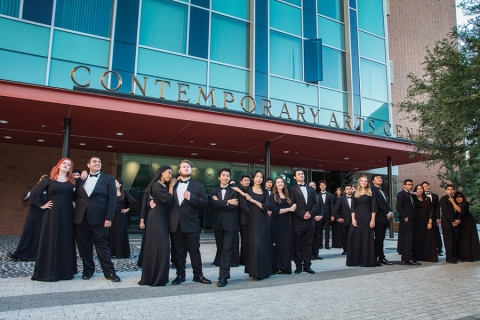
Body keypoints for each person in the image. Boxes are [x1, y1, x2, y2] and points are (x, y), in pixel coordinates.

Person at [73, 156, 120, 282]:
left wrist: (109, 218)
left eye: (99, 161)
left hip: (100, 218)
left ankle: (110, 272)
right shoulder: (81, 179)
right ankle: (88, 270)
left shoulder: (109, 179)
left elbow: (112, 200)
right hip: (81, 218)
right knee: (84, 246)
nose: (97, 163)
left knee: (102, 246)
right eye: (94, 161)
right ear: (88, 165)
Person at [30, 159, 77, 281]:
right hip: (53, 213)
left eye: (69, 164)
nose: (66, 165)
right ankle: (48, 271)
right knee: (51, 238)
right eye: (64, 163)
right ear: (59, 165)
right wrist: (41, 205)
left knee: (65, 239)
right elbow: (35, 192)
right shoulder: (49, 180)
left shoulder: (71, 181)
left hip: (67, 214)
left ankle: (64, 272)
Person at [169, 160, 211, 285]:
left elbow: (204, 203)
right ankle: (180, 275)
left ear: (191, 170)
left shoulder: (198, 186)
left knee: (195, 251)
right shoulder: (172, 184)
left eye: (188, 166)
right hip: (176, 224)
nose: (186, 168)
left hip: (191, 224)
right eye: (183, 166)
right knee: (178, 251)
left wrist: (191, 197)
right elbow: (167, 201)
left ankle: (198, 275)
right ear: (179, 170)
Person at [231, 170, 272, 280]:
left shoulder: (265, 192)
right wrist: (243, 193)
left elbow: (266, 207)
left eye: (261, 177)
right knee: (255, 246)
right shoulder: (247, 189)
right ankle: (254, 272)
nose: (259, 178)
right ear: (253, 178)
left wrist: (252, 200)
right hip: (253, 221)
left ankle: (263, 272)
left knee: (262, 246)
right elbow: (232, 185)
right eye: (257, 176)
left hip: (263, 221)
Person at [139, 166, 175, 286]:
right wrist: (171, 187)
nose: (170, 176)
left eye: (171, 174)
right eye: (169, 173)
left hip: (161, 217)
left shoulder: (160, 186)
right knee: (160, 246)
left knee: (160, 247)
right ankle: (156, 277)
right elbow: (168, 200)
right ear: (161, 173)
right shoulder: (157, 185)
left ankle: (156, 276)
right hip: (157, 218)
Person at [211, 169, 241, 287]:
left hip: (230, 224)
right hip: (218, 224)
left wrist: (220, 203)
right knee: (220, 250)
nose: (225, 177)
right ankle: (225, 272)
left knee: (227, 250)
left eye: (228, 176)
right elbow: (213, 205)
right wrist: (228, 202)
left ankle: (222, 277)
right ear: (219, 177)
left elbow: (235, 206)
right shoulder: (214, 191)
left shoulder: (234, 191)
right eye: (223, 175)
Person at [7, 174, 48, 262]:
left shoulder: (49, 193)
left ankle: (37, 255)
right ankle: (19, 254)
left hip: (43, 216)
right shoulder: (33, 191)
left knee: (39, 236)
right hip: (32, 216)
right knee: (27, 234)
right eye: (41, 181)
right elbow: (25, 197)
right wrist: (36, 189)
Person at [289, 169, 319, 274]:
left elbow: (316, 203)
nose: (301, 175)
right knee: (298, 245)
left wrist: (310, 213)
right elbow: (292, 205)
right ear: (294, 177)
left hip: (310, 221)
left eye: (302, 174)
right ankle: (298, 266)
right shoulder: (292, 189)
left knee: (308, 244)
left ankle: (307, 265)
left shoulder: (311, 189)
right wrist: (302, 214)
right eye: (299, 174)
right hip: (298, 221)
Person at [346, 176, 376, 267]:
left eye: (365, 181)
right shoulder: (355, 193)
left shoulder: (371, 193)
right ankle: (354, 261)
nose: (364, 182)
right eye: (362, 181)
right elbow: (353, 208)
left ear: (368, 183)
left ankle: (366, 261)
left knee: (366, 239)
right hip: (357, 218)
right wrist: (353, 219)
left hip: (367, 218)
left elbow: (374, 208)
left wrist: (372, 220)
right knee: (354, 238)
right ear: (359, 182)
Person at [269, 176, 296, 275]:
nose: (280, 184)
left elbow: (294, 206)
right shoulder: (273, 195)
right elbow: (275, 211)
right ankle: (278, 267)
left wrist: (294, 206)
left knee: (285, 245)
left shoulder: (288, 195)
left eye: (282, 182)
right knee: (277, 245)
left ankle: (285, 267)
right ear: (275, 185)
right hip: (276, 223)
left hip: (286, 223)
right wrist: (289, 209)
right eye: (278, 182)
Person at [108, 178, 136, 258]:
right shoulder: (111, 193)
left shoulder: (124, 193)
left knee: (120, 234)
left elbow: (133, 201)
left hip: (120, 217)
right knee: (111, 234)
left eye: (116, 183)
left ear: (120, 184)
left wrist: (128, 209)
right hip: (112, 217)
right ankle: (111, 252)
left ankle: (120, 253)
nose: (114, 184)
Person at [370, 174, 394, 266]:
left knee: (381, 239)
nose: (380, 179)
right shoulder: (373, 190)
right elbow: (378, 203)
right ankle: (376, 258)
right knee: (378, 239)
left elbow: (385, 203)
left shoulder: (381, 190)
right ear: (373, 181)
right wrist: (387, 212)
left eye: (381, 178)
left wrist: (390, 211)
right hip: (378, 218)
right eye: (377, 178)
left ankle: (381, 257)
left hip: (383, 218)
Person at [411, 185, 437, 262]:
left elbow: (430, 211)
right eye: (418, 189)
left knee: (428, 238)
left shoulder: (427, 199)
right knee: (418, 238)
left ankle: (427, 256)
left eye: (421, 188)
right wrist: (414, 194)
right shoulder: (413, 199)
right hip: (416, 221)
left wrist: (430, 222)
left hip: (426, 220)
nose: (420, 190)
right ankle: (417, 256)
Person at [396, 179, 420, 265]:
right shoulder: (401, 194)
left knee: (409, 238)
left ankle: (406, 256)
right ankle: (407, 257)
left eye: (411, 185)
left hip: (411, 219)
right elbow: (399, 207)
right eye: (409, 184)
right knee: (407, 238)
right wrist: (404, 216)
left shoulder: (409, 194)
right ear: (404, 185)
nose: (410, 186)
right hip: (406, 219)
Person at [455, 192, 480, 261]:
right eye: (457, 197)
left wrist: (458, 219)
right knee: (461, 239)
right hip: (461, 223)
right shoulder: (456, 204)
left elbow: (462, 212)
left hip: (468, 223)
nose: (459, 198)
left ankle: (469, 256)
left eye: (460, 197)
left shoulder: (466, 203)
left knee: (468, 238)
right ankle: (461, 256)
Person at [440, 184, 462, 264]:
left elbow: (460, 211)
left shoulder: (456, 199)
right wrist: (452, 221)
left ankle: (453, 256)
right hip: (447, 223)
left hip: (456, 223)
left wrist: (458, 220)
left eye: (452, 189)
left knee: (455, 240)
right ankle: (449, 257)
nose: (450, 191)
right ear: (446, 190)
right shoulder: (443, 199)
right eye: (448, 189)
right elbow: (445, 211)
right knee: (448, 241)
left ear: (454, 190)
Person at [422, 181, 443, 256]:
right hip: (424, 216)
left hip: (434, 216)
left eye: (427, 186)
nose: (426, 187)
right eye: (424, 186)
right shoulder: (421, 196)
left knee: (436, 232)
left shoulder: (435, 196)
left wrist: (438, 218)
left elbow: (437, 207)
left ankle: (439, 249)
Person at [334, 184, 353, 256]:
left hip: (354, 220)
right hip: (344, 220)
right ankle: (345, 250)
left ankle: (353, 249)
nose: (349, 190)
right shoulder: (341, 199)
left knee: (353, 236)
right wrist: (338, 218)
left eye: (350, 189)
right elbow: (336, 209)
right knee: (344, 236)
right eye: (347, 189)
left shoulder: (355, 198)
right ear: (344, 191)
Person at [315, 180, 334, 252]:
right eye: (321, 185)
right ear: (319, 186)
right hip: (320, 215)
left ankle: (327, 244)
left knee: (327, 230)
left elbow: (332, 205)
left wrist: (332, 215)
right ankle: (320, 244)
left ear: (326, 186)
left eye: (324, 185)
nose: (322, 186)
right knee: (319, 230)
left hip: (328, 215)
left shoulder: (330, 195)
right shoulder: (317, 195)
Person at [137, 192, 152, 267]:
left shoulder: (161, 194)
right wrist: (141, 221)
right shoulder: (146, 195)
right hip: (148, 220)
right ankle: (143, 261)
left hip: (158, 221)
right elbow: (143, 208)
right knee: (146, 240)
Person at [238, 175, 250, 265]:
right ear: (241, 182)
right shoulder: (240, 191)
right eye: (245, 180)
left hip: (252, 219)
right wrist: (253, 214)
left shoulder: (251, 190)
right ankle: (244, 259)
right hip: (244, 220)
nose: (247, 182)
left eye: (248, 180)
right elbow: (243, 206)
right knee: (245, 240)